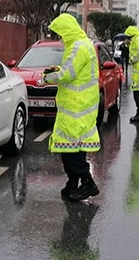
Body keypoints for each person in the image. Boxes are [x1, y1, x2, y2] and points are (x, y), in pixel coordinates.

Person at [40, 13, 101, 201]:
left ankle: (88, 182)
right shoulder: (83, 45)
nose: (59, 38)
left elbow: (68, 73)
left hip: (76, 105)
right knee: (75, 147)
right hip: (81, 104)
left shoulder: (78, 46)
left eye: (60, 34)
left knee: (68, 149)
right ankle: (73, 184)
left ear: (66, 31)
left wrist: (46, 78)